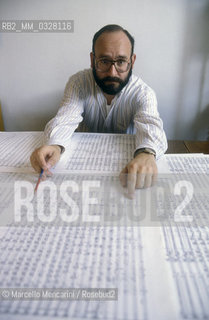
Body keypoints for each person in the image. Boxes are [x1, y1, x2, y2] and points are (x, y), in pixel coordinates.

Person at [30, 24, 167, 197]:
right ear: (92, 59)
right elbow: (66, 117)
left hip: (122, 176)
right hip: (79, 179)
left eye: (121, 62)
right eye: (104, 61)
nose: (112, 72)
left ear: (132, 61)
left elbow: (151, 124)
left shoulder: (143, 92)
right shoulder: (78, 83)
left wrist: (146, 153)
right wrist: (55, 145)